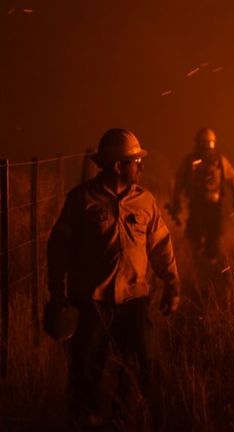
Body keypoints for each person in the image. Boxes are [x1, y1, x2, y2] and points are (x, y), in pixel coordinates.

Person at [47, 128, 181, 428]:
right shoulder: (82, 200)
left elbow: (160, 244)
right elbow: (58, 247)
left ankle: (129, 417)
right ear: (118, 166)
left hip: (134, 300)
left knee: (143, 365)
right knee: (86, 369)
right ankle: (85, 420)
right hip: (92, 302)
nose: (141, 167)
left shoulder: (145, 202)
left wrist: (172, 282)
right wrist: (57, 291)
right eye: (136, 161)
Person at [169, 127, 234, 265]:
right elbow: (179, 182)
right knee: (196, 237)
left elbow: (233, 180)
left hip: (212, 207)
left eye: (207, 143)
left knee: (213, 238)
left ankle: (208, 265)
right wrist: (176, 201)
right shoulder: (192, 161)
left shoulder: (218, 161)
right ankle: (198, 264)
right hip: (198, 206)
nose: (206, 147)